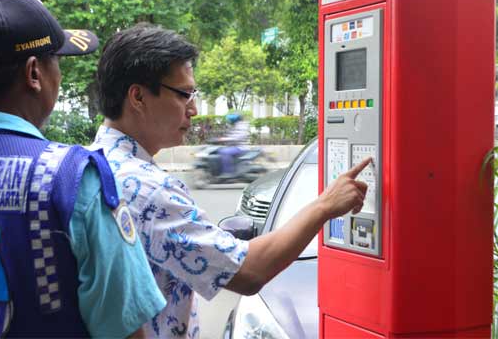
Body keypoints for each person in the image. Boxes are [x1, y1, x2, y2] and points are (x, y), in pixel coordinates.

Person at [0, 0, 165, 338]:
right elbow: (126, 329)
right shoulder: (74, 180)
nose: (60, 76)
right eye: (57, 61)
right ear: (34, 73)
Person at [90, 23, 371, 338]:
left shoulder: (92, 165)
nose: (193, 109)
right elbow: (249, 272)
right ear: (138, 97)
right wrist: (325, 206)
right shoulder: (148, 190)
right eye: (184, 94)